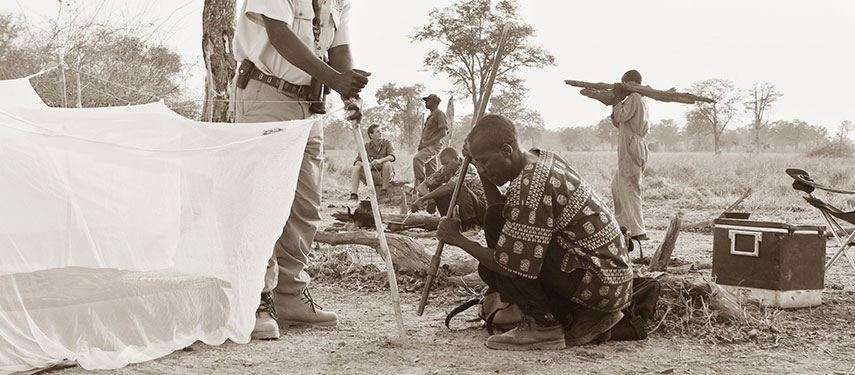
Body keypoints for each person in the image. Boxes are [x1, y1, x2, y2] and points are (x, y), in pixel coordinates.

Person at [232, 0, 370, 340]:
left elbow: (339, 46)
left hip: (309, 107)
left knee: (305, 206)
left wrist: (348, 92)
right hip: (266, 95)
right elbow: (279, 35)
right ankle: (256, 300)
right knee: (261, 204)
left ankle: (290, 295)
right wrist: (335, 79)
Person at [436, 114, 633, 351]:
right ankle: (583, 316)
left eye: (485, 162)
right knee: (495, 224)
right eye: (477, 163)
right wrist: (480, 167)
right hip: (610, 280)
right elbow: (499, 213)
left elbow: (508, 264)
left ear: (507, 150)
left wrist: (457, 240)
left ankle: (542, 325)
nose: (482, 169)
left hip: (600, 282)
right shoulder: (541, 158)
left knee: (496, 264)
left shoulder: (529, 188)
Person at [609, 70, 650, 244]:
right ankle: (623, 225)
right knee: (617, 186)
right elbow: (619, 122)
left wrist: (617, 98)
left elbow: (619, 116)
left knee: (630, 187)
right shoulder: (639, 99)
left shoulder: (634, 97)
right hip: (632, 144)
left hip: (631, 145)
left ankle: (637, 230)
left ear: (631, 83)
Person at [411, 147, 486, 230]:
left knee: (459, 188)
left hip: (481, 210)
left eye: (447, 164)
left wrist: (423, 198)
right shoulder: (445, 170)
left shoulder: (468, 167)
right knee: (436, 188)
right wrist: (430, 199)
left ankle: (472, 225)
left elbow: (449, 187)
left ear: (456, 159)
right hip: (462, 208)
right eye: (443, 164)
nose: (445, 167)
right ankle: (449, 220)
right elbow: (422, 186)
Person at [350, 124, 395, 201]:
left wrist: (380, 160)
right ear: (371, 135)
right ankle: (354, 195)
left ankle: (384, 192)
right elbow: (356, 162)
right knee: (356, 168)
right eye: (377, 132)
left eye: (381, 131)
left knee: (387, 164)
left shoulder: (388, 143)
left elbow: (392, 157)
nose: (380, 133)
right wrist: (366, 165)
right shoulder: (366, 146)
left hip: (385, 174)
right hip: (371, 175)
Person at [412, 93, 448, 187]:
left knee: (417, 159)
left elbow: (443, 132)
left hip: (433, 146)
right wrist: (422, 143)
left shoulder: (440, 114)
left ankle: (421, 184)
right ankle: (432, 196)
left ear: (434, 102)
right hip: (427, 146)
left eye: (428, 100)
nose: (426, 103)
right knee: (432, 173)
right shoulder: (431, 116)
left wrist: (426, 143)